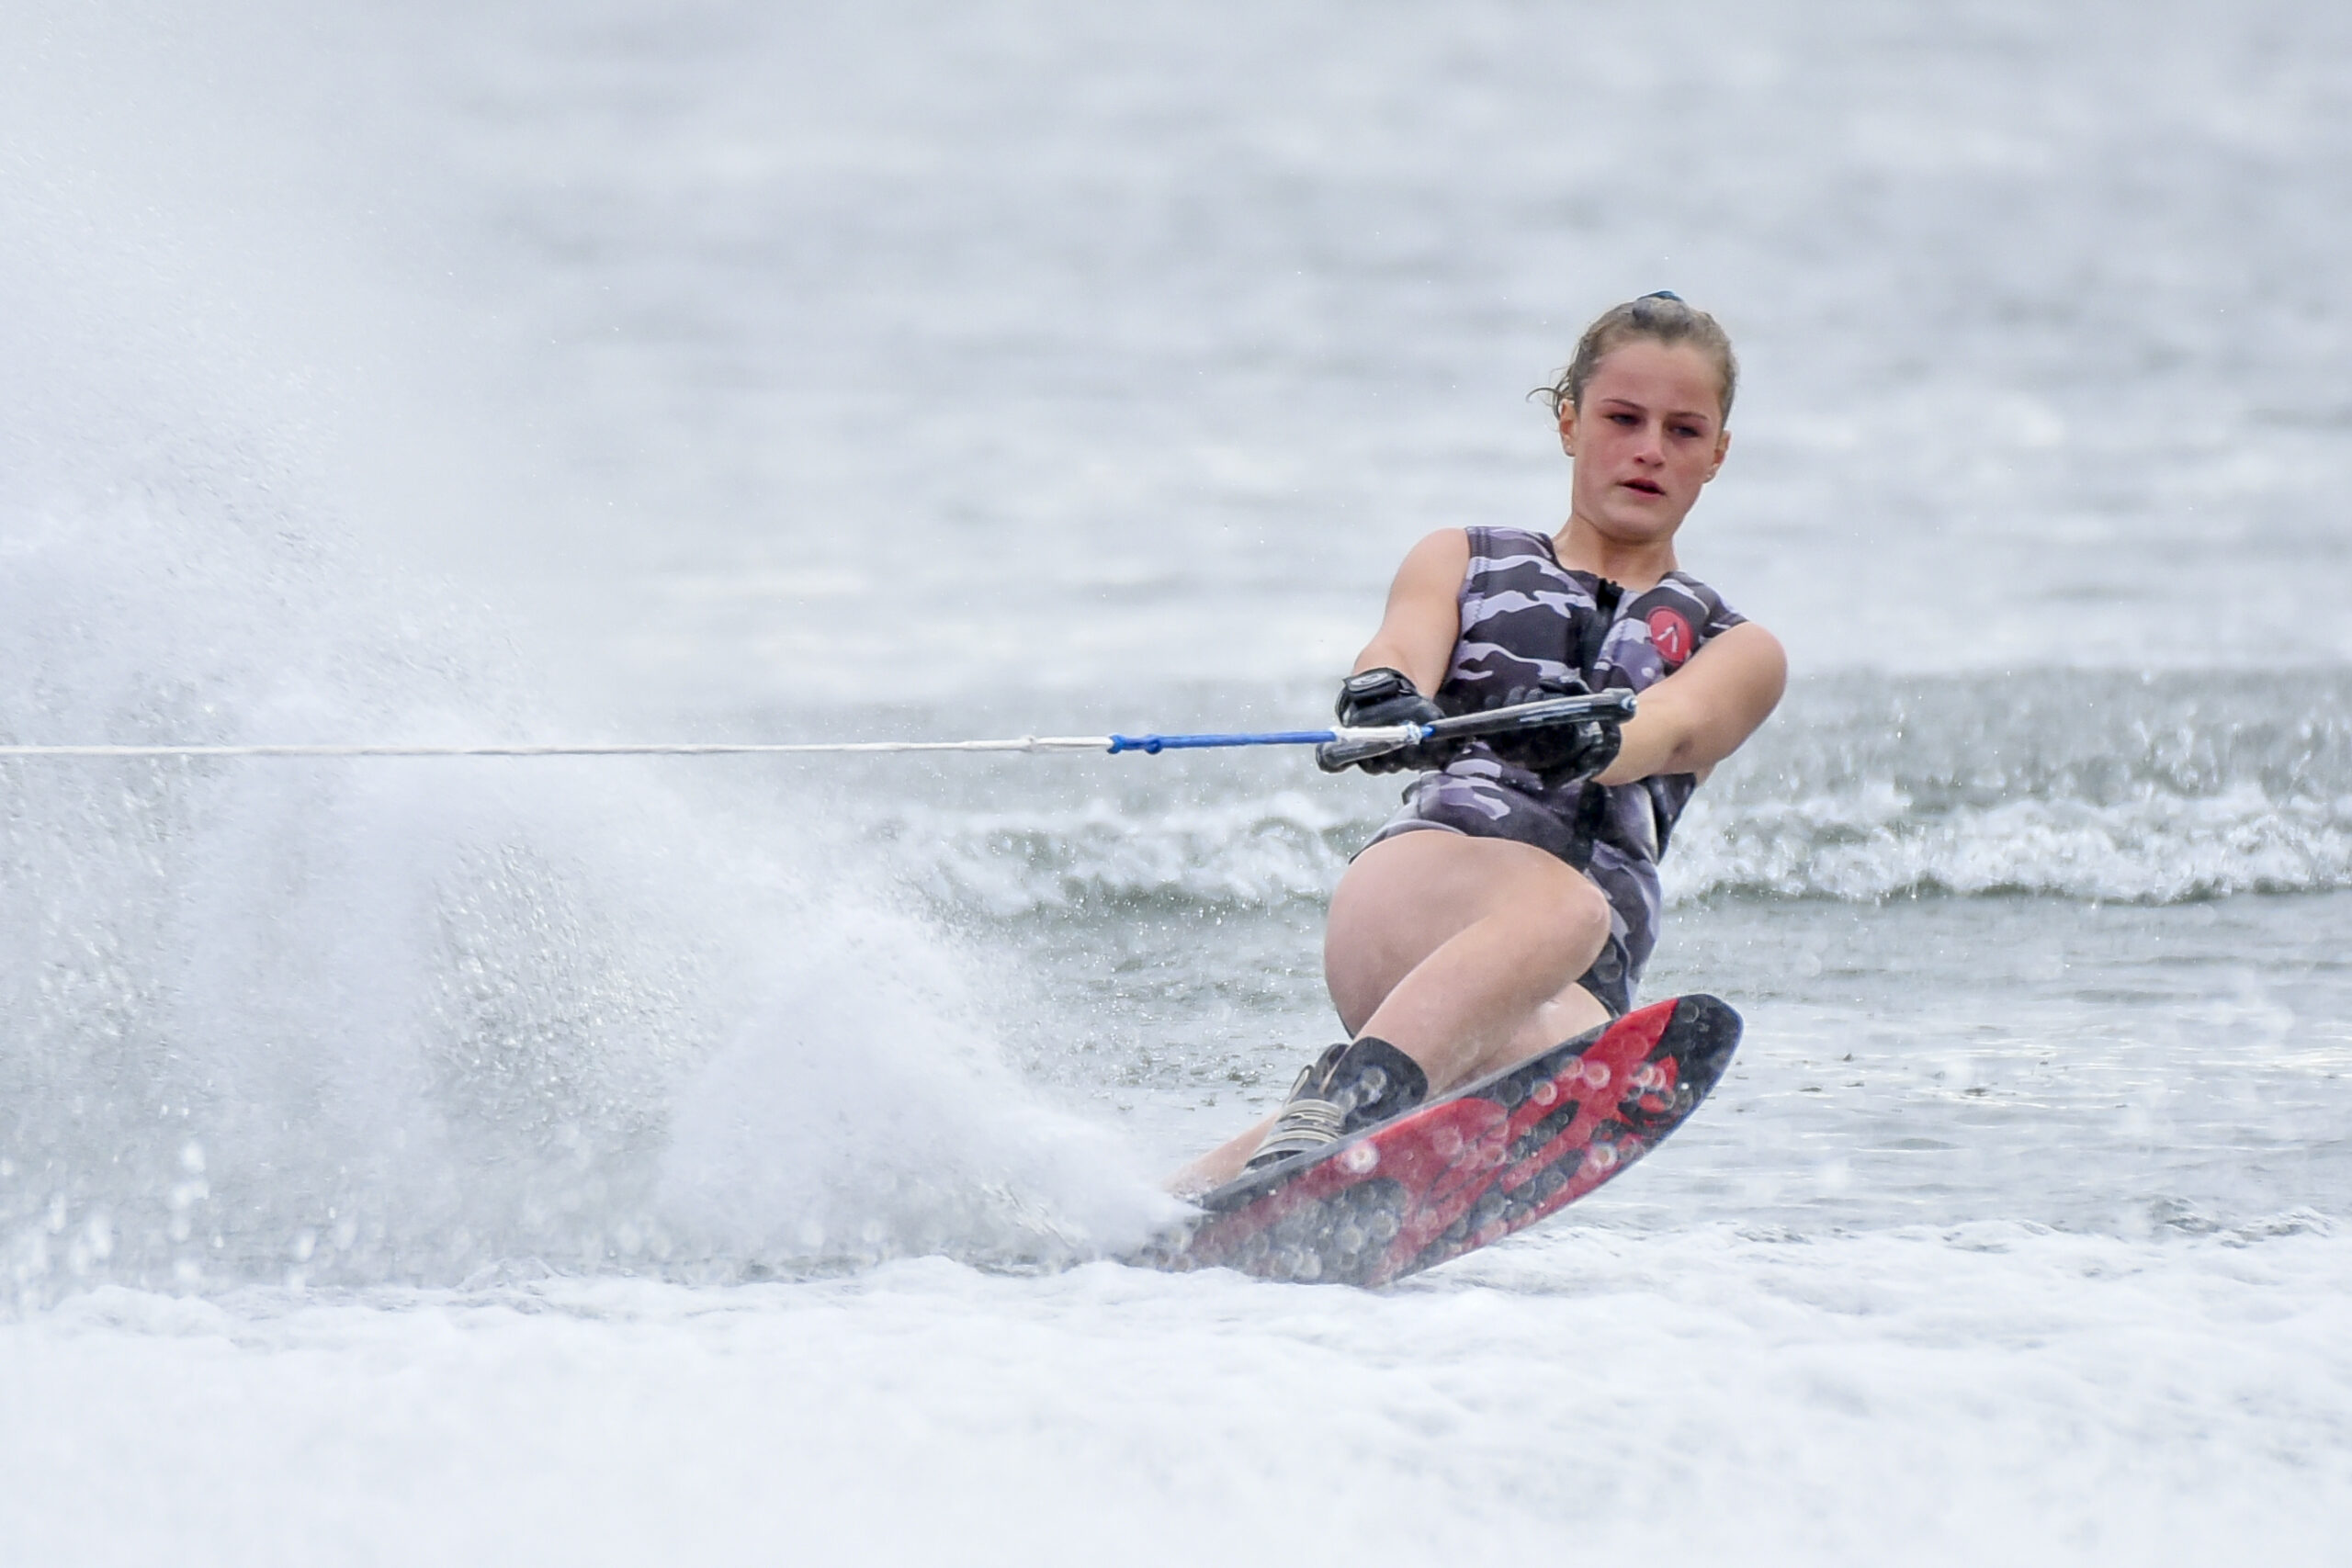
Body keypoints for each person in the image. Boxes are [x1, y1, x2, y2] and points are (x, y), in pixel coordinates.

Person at [1171, 292, 1785, 1195]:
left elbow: (1676, 725)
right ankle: (1346, 1107)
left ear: (1718, 453)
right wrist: (1384, 697)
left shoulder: (1739, 647)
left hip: (1567, 984)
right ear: (1570, 423)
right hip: (1419, 899)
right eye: (1622, 418)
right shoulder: (1463, 556)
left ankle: (1166, 1216)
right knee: (1565, 912)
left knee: (1556, 1066)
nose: (1650, 448)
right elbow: (1400, 646)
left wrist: (1593, 737)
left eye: (1683, 430)